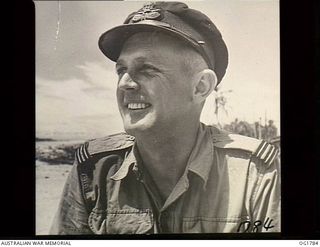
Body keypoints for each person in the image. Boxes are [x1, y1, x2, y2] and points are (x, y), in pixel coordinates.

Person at [50, 1, 280, 234]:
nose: (125, 84)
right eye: (121, 70)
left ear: (200, 87)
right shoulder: (94, 170)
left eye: (147, 69)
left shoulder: (256, 174)